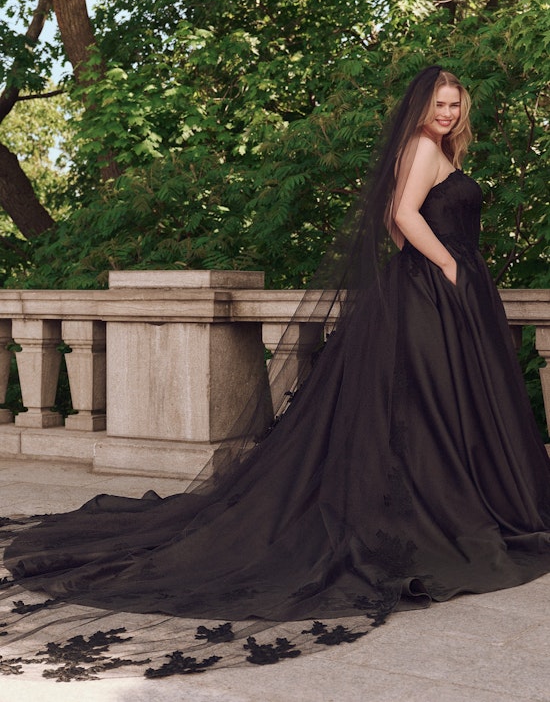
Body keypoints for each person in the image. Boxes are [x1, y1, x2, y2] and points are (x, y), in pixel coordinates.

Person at [1, 66, 549, 681]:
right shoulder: (422, 147)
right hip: (435, 289)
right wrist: (450, 268)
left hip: (434, 288)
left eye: (455, 104)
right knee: (435, 408)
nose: (447, 113)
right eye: (439, 103)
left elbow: (398, 224)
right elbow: (402, 214)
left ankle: (450, 503)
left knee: (443, 407)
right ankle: (439, 515)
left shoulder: (432, 148)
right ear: (421, 106)